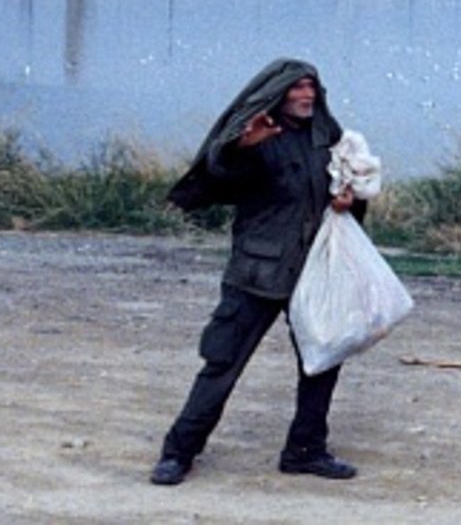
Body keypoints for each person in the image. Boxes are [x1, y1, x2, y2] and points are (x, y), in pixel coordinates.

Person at [150, 58, 363, 486]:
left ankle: (305, 450)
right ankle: (178, 453)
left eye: (311, 87)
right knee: (222, 363)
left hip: (313, 274)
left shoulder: (329, 137)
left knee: (322, 362)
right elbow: (222, 175)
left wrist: (348, 202)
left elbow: (350, 194)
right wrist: (242, 148)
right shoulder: (254, 136)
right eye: (296, 88)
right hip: (257, 272)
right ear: (278, 92)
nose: (306, 95)